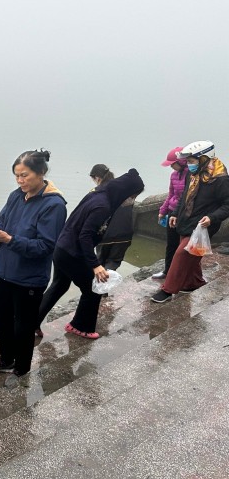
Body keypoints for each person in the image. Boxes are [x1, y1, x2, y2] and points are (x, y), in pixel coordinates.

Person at [0, 149, 67, 377]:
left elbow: (46, 246)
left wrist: (9, 239)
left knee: (24, 326)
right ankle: (6, 359)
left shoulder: (54, 205)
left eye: (25, 175)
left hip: (29, 277)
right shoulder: (16, 195)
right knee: (2, 319)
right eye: (17, 176)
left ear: (41, 172)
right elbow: (2, 222)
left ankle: (22, 369)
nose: (20, 181)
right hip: (5, 271)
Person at [37, 169, 145, 338]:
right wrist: (95, 265)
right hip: (72, 252)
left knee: (59, 285)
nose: (131, 201)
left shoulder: (97, 194)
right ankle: (80, 327)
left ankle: (31, 324)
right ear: (125, 192)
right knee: (95, 289)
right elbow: (85, 236)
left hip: (62, 247)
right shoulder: (103, 205)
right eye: (132, 196)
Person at [152, 141, 229, 303]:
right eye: (188, 161)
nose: (189, 165)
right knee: (192, 256)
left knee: (183, 253)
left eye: (192, 161)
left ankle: (167, 290)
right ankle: (194, 283)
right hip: (186, 220)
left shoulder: (220, 179)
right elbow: (184, 197)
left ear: (203, 159)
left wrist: (212, 217)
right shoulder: (193, 174)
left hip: (204, 224)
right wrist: (174, 214)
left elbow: (227, 204)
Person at [90, 164, 137, 272]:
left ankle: (97, 287)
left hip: (106, 234)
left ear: (97, 178)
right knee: (113, 264)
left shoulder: (98, 191)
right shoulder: (125, 188)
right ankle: (106, 286)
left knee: (100, 263)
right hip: (125, 234)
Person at [152, 148, 189, 280]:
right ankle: (167, 271)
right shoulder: (173, 175)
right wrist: (162, 210)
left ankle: (180, 273)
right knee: (171, 244)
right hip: (171, 212)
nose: (171, 166)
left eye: (173, 163)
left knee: (183, 246)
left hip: (184, 214)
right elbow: (171, 194)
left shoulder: (191, 174)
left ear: (182, 161)